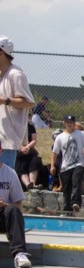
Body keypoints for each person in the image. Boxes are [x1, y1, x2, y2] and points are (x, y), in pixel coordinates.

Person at [0, 36, 36, 170]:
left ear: (1, 53)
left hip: (7, 140)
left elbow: (28, 102)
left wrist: (5, 100)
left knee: (3, 183)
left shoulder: (15, 74)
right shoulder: (1, 74)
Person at [51, 114, 84, 215]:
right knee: (66, 189)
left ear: (74, 124)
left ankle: (76, 202)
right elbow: (54, 152)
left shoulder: (80, 134)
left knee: (76, 181)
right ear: (64, 124)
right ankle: (67, 210)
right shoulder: (60, 137)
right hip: (65, 166)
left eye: (71, 123)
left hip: (79, 163)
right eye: (67, 123)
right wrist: (52, 165)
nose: (69, 124)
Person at [0, 138, 31, 268]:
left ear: (1, 151)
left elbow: (18, 204)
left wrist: (5, 205)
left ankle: (19, 254)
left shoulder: (9, 173)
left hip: (3, 216)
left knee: (13, 210)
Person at [15, 121, 43, 189]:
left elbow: (34, 140)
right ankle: (27, 184)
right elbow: (13, 139)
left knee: (35, 161)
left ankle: (32, 183)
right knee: (20, 163)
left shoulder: (30, 126)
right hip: (18, 150)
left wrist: (27, 147)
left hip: (29, 150)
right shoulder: (14, 125)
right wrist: (21, 148)